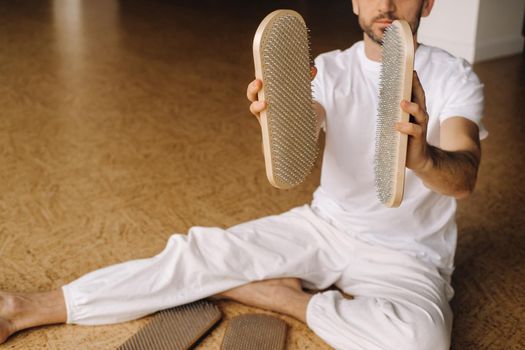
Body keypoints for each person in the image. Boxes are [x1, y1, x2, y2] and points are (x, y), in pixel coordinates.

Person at [0, 0, 486, 348]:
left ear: (428, 3)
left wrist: (421, 156)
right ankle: (25, 307)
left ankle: (283, 298)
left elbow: (463, 180)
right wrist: (278, 114)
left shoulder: (453, 77)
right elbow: (303, 126)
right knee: (198, 253)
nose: (385, 4)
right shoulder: (328, 69)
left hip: (408, 254)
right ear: (355, 2)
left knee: (421, 340)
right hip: (325, 228)